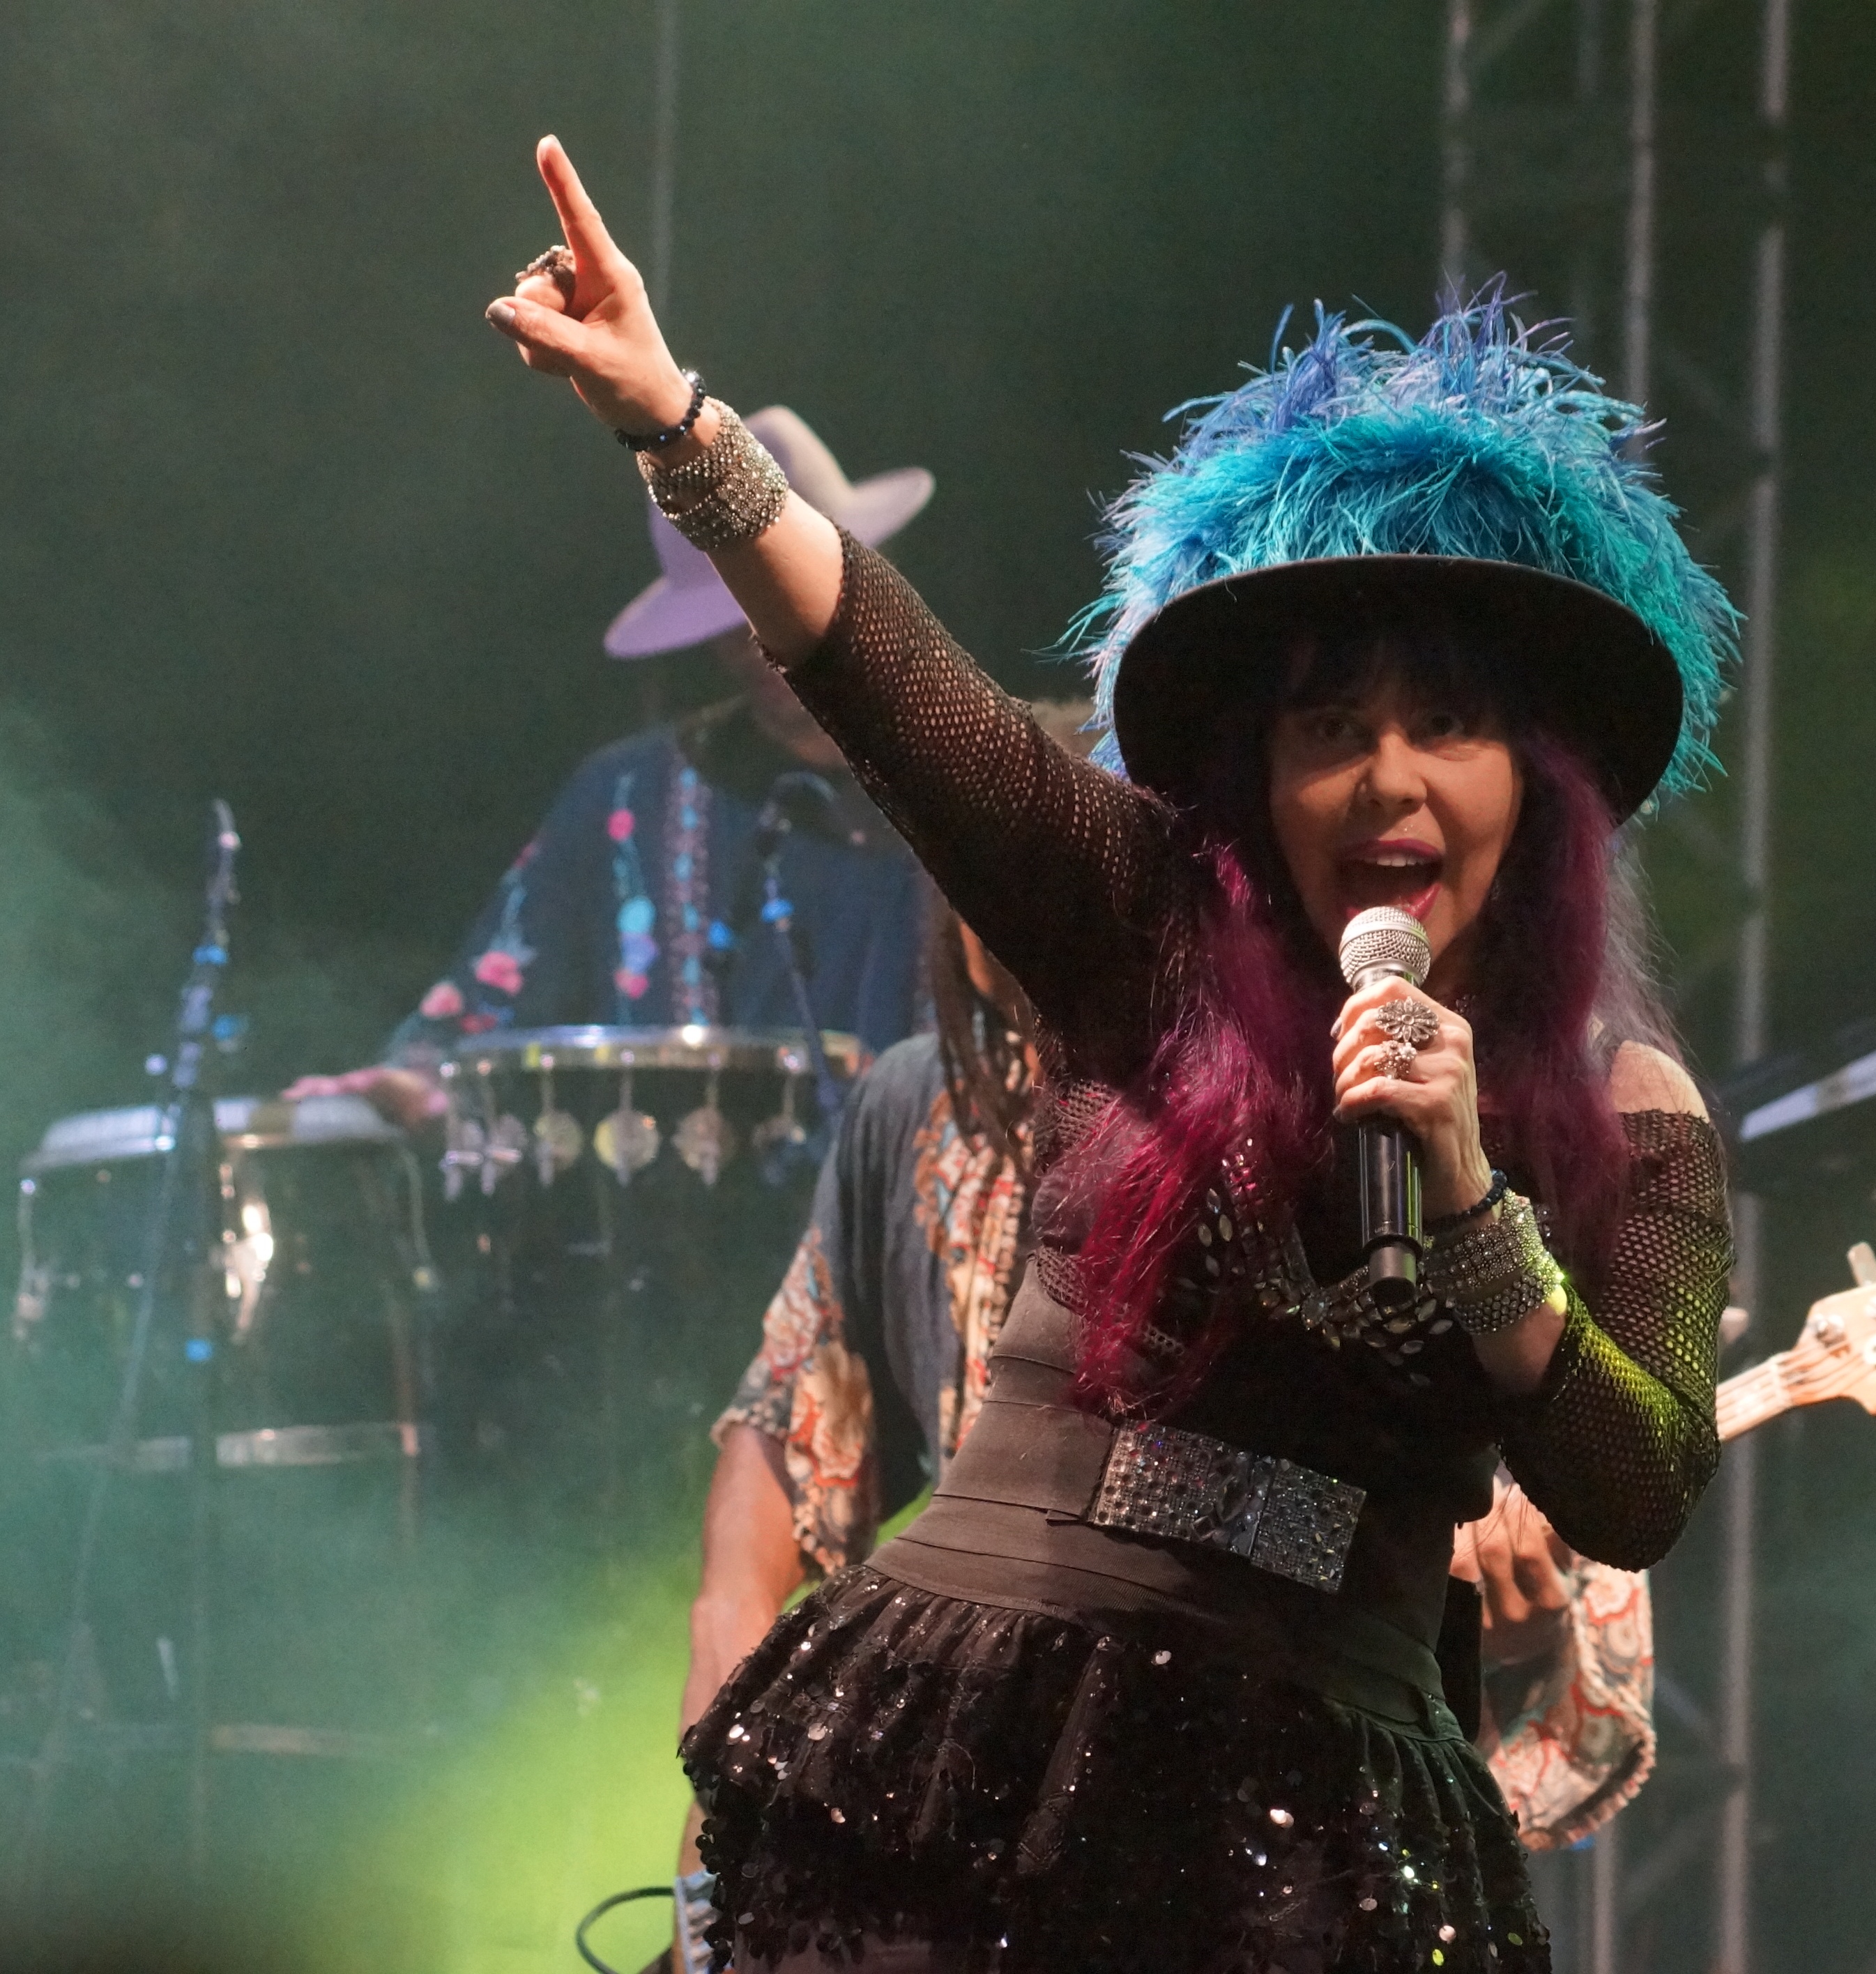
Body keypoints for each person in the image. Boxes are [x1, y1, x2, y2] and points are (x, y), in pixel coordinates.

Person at [489, 134, 1736, 1973]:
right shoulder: (1153, 934)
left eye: (1448, 729)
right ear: (1262, 775)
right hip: (982, 1740)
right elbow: (908, 697)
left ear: (1536, 785)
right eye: (1330, 729)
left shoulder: (1628, 1114)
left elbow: (1640, 1481)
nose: (1386, 781)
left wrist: (1473, 1200)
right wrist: (677, 422)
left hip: (1316, 1841)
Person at [670, 875, 1661, 1947]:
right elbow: (784, 1442)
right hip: (946, 1810)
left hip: (1262, 1825)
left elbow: (1579, 1556)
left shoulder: (1375, 1117)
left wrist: (1512, 1635)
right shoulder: (921, 1103)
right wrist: (720, 1846)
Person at [289, 406, 935, 1126]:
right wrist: (412, 1083)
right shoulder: (629, 794)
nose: (753, 639)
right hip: (696, 1195)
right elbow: (487, 1000)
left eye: (774, 595)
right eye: (725, 619)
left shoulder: (990, 774)